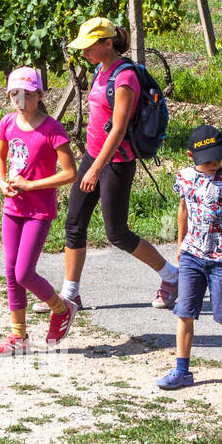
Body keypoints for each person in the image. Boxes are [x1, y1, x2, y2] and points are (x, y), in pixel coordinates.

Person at [61, 17, 179, 311]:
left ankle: (171, 276)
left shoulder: (124, 77)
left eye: (89, 47)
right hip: (93, 155)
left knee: (117, 233)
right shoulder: (100, 69)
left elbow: (119, 129)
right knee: (74, 224)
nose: (83, 52)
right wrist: (90, 161)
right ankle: (70, 294)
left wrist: (96, 168)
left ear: (107, 43)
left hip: (115, 162)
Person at [157, 125, 222, 389]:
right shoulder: (184, 178)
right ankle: (182, 371)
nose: (214, 163)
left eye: (218, 157)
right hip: (193, 255)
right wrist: (180, 244)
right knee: (185, 312)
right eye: (207, 160)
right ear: (191, 157)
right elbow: (183, 211)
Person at [0, 67, 79, 356]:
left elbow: (69, 174)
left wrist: (31, 185)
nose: (21, 100)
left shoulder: (52, 129)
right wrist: (3, 182)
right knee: (10, 271)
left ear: (40, 95)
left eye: (28, 94)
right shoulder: (7, 124)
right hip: (12, 208)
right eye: (15, 94)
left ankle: (61, 308)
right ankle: (19, 337)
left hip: (38, 211)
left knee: (24, 273)